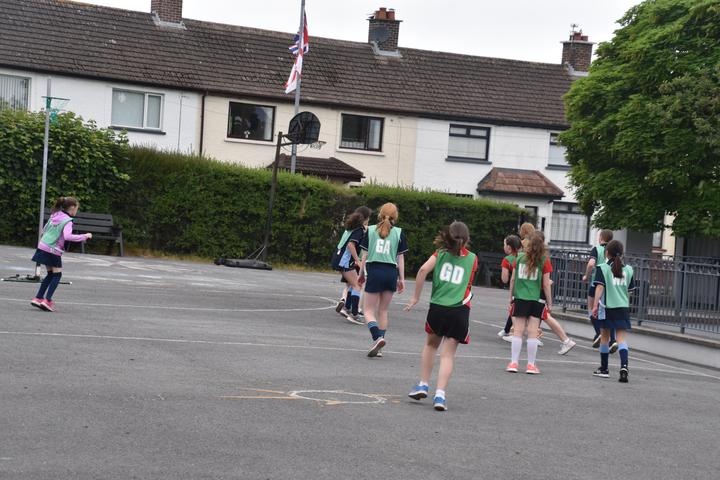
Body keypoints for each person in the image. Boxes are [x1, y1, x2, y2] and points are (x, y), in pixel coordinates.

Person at [405, 221, 477, 412]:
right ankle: (440, 394)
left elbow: (422, 270)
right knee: (448, 354)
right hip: (459, 309)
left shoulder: (440, 254)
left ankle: (423, 384)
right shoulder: (473, 258)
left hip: (438, 307)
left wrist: (415, 297)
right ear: (467, 238)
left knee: (431, 345)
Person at [358, 202, 408, 358]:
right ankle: (379, 347)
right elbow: (400, 259)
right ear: (395, 216)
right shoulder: (399, 233)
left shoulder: (370, 230)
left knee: (367, 310)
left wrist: (360, 273)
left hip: (374, 271)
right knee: (383, 311)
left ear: (379, 214)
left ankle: (377, 338)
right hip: (391, 273)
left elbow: (364, 256)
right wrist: (402, 279)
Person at [30, 196, 92, 312]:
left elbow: (44, 229)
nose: (76, 211)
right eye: (77, 208)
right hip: (53, 250)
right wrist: (84, 236)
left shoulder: (55, 215)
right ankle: (47, 301)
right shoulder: (68, 220)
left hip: (42, 246)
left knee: (50, 274)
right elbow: (68, 236)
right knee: (57, 275)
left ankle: (38, 298)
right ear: (72, 208)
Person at [506, 231, 552, 374]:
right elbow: (546, 284)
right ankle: (531, 365)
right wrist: (550, 302)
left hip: (520, 297)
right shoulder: (544, 261)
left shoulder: (519, 258)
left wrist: (510, 297)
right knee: (533, 333)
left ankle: (513, 363)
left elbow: (512, 279)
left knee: (518, 331)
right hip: (536, 299)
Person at [591, 240, 635, 383]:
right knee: (621, 339)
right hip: (623, 308)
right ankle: (624, 367)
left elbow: (600, 287)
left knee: (605, 337)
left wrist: (595, 305)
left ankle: (604, 369)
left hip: (607, 307)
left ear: (607, 253)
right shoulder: (629, 270)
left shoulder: (603, 268)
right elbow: (630, 291)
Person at [332, 207, 370, 324]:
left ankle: (347, 308)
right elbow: (350, 245)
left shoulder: (351, 228)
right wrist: (357, 260)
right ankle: (354, 314)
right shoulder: (358, 230)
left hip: (339, 258)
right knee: (357, 285)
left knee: (352, 284)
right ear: (366, 218)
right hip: (345, 261)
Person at [583, 229, 618, 352]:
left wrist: (587, 276)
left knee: (591, 308)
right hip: (611, 285)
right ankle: (613, 340)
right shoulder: (615, 250)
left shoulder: (597, 249)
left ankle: (599, 333)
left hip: (597, 282)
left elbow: (591, 264)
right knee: (608, 312)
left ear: (601, 237)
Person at [497, 235, 521, 338]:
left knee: (514, 310)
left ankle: (516, 334)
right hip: (532, 289)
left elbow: (505, 279)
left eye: (504, 244)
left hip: (517, 289)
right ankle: (507, 329)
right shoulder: (525, 256)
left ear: (509, 247)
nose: (503, 246)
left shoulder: (507, 260)